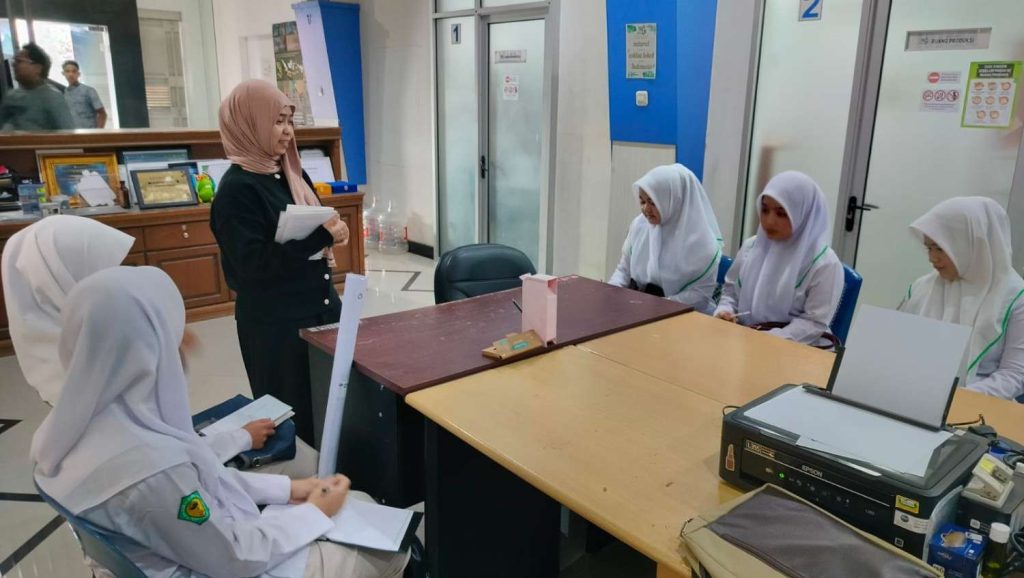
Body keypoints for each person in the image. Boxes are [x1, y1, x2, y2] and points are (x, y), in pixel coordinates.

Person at [30, 266, 409, 577]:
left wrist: (289, 490)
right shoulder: (149, 469)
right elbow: (234, 557)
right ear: (147, 347)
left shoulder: (75, 428)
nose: (184, 341)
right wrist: (314, 514)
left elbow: (202, 475)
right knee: (390, 548)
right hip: (227, 562)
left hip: (192, 547)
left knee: (353, 501)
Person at [2, 215, 316, 476]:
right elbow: (159, 459)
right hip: (185, 476)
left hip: (170, 461)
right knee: (310, 462)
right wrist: (240, 439)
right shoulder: (102, 379)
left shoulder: (70, 353)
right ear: (65, 280)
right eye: (104, 272)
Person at [211, 80, 349, 444]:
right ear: (249, 124)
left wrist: (334, 231)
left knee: (333, 410)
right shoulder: (237, 190)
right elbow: (252, 267)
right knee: (293, 421)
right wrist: (320, 237)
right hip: (277, 326)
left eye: (289, 121)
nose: (288, 131)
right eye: (277, 121)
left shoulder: (290, 172)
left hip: (321, 308)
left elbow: (317, 226)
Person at [898, 197, 1024, 400]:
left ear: (974, 245)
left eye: (940, 248)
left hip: (978, 403)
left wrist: (955, 398)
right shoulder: (923, 287)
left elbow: (1014, 375)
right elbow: (896, 345)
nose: (932, 258)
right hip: (913, 393)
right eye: (929, 248)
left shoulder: (1015, 297)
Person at [714, 171, 844, 346]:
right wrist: (725, 311)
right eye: (765, 210)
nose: (769, 221)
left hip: (796, 349)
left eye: (781, 213)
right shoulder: (752, 247)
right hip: (746, 341)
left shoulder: (824, 264)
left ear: (804, 215)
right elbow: (730, 292)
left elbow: (814, 324)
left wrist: (766, 339)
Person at [609, 164, 722, 314]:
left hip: (685, 314)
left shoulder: (702, 243)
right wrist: (610, 291)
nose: (645, 209)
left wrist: (657, 306)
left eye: (653, 202)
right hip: (642, 308)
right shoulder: (640, 225)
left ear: (675, 201)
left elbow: (700, 296)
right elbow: (624, 270)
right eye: (642, 201)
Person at [0, 42, 74, 131]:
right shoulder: (11, 96)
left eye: (19, 61)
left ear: (38, 68)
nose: (14, 64)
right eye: (14, 60)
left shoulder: (52, 98)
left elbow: (68, 134)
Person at [61, 60, 107, 128]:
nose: (70, 74)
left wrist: (98, 132)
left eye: (74, 71)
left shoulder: (88, 91)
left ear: (78, 74)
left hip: (89, 132)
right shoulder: (64, 93)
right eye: (67, 71)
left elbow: (102, 114)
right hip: (72, 132)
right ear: (63, 73)